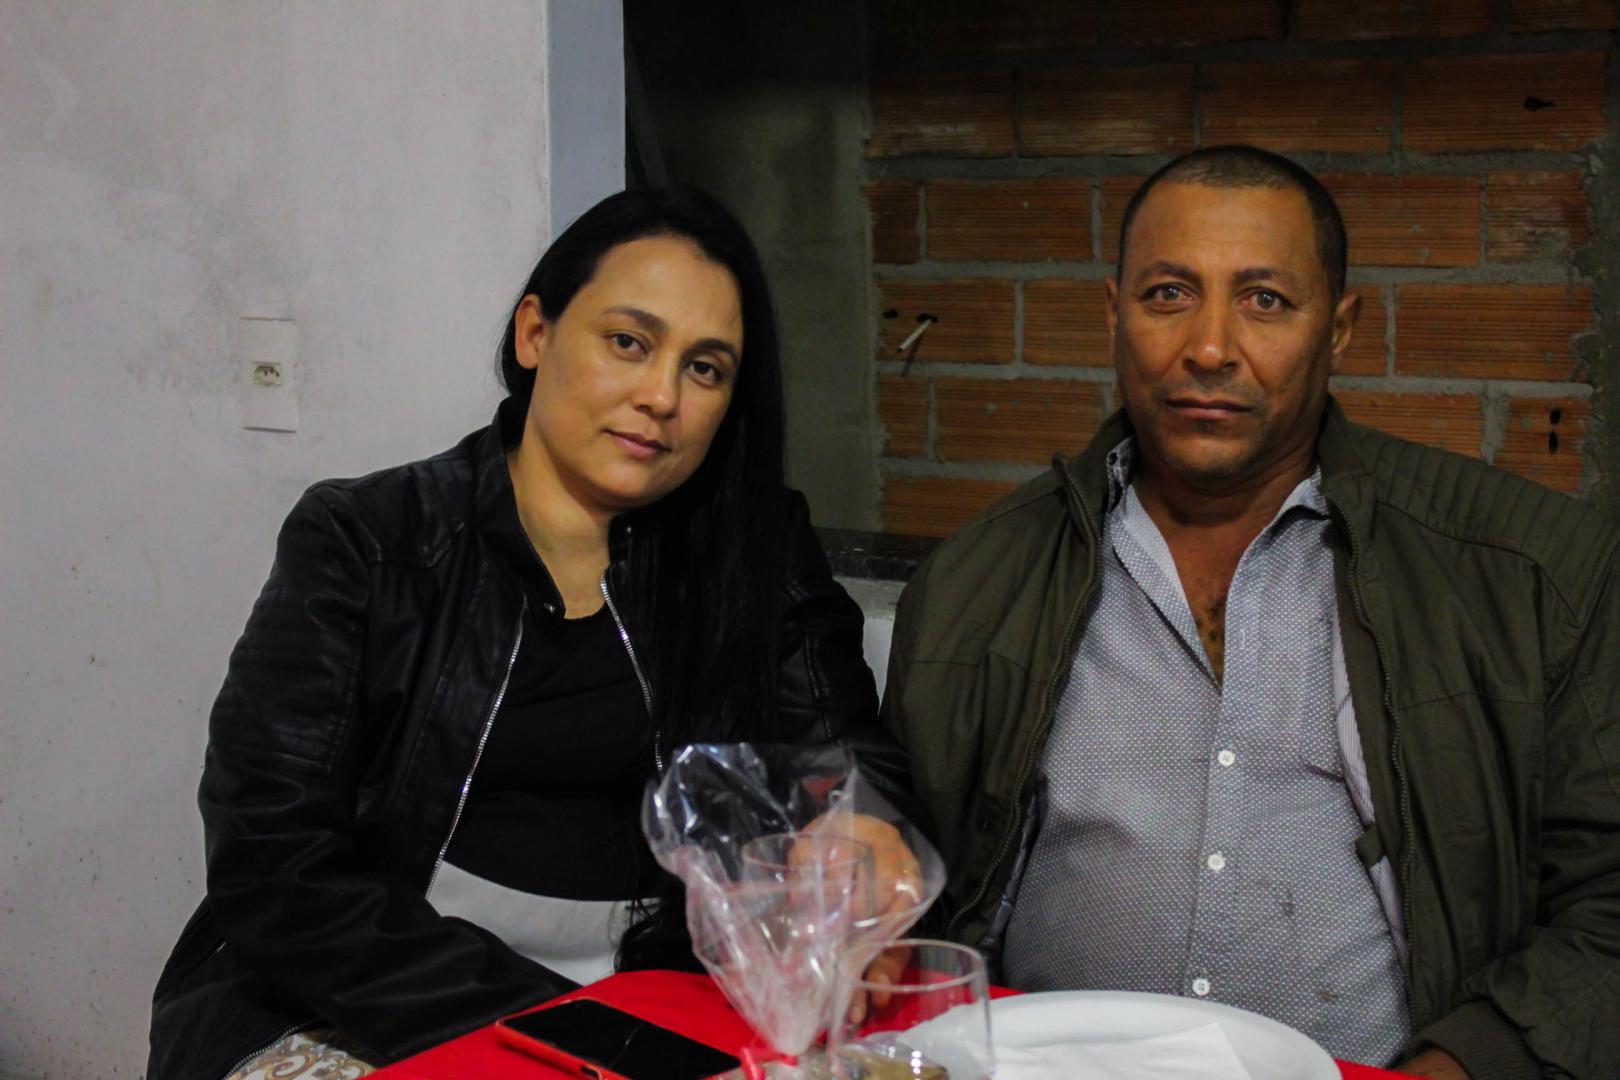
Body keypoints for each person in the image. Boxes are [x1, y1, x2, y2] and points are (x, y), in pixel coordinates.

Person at [880, 146, 1619, 1079]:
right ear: (1113, 313)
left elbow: (1607, 906)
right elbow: (896, 881)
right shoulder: (975, 581)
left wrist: (1464, 1066)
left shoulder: (1528, 575)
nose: (1210, 347)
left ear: (1339, 329)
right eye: (1168, 295)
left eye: (1265, 300)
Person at [148, 185, 908, 1080]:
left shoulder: (757, 549)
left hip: (669, 995)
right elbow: (272, 861)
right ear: (535, 333)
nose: (661, 395)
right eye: (629, 342)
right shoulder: (369, 541)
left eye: (705, 369)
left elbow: (851, 756)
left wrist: (862, 834)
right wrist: (566, 1024)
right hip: (366, 998)